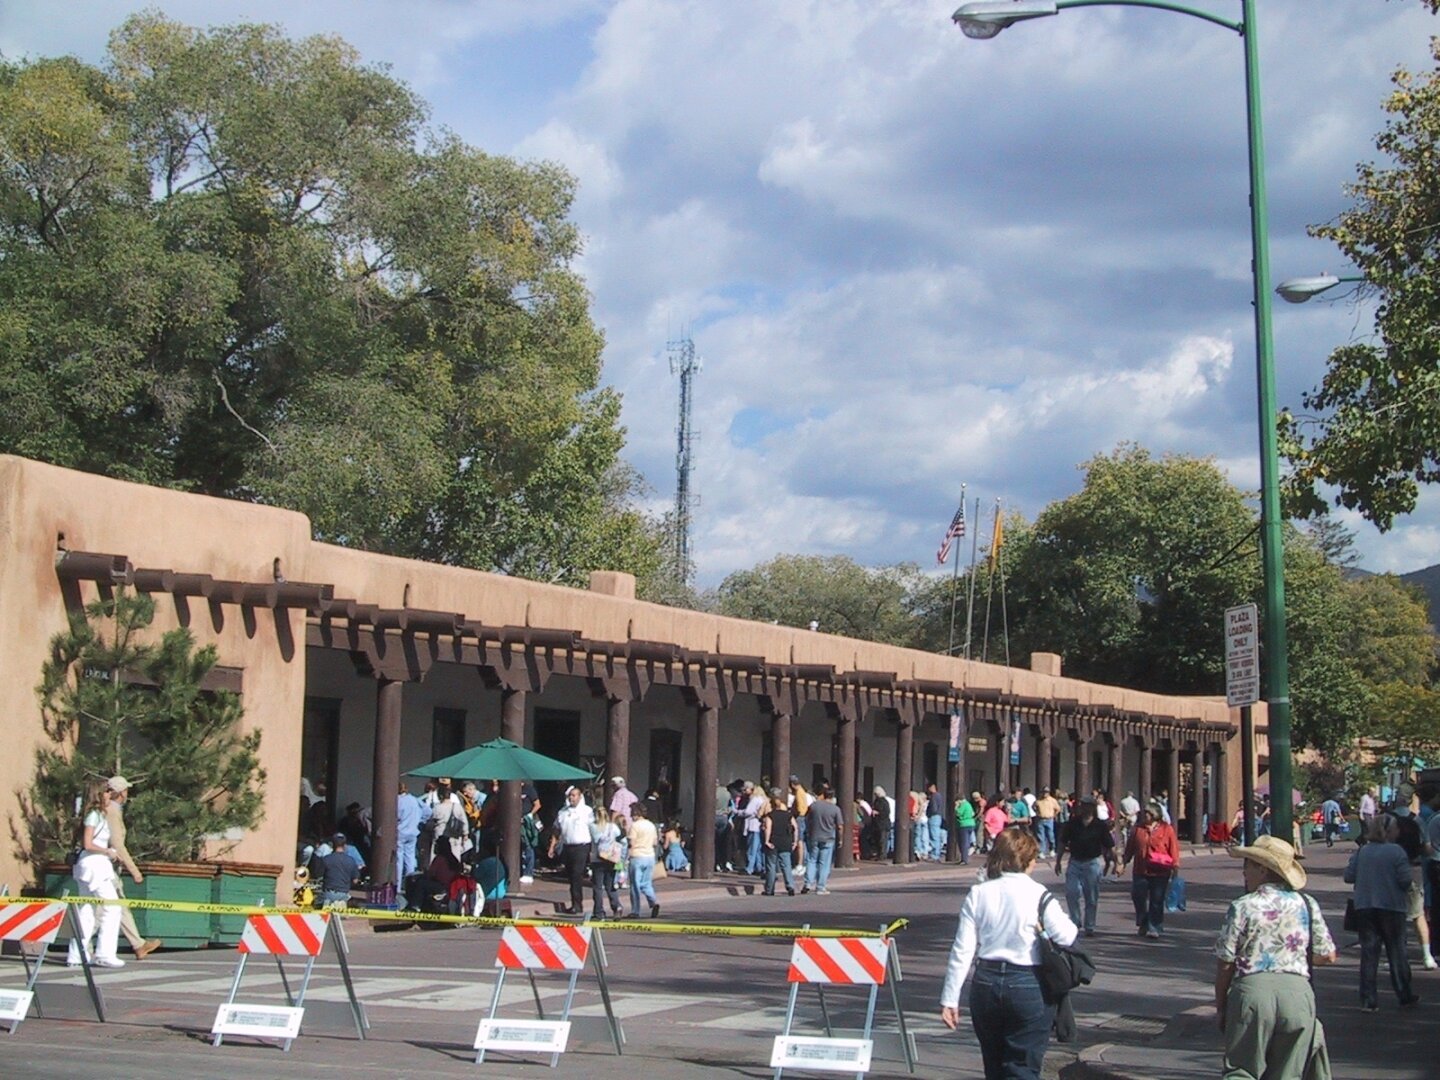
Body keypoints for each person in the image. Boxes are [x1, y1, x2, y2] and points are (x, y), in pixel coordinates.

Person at [940, 828, 1079, 1080]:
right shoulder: (1039, 895)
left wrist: (950, 998)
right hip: (1028, 982)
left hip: (986, 982)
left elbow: (963, 949)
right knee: (1022, 1066)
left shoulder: (979, 893)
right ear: (1029, 861)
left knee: (993, 1066)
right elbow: (1067, 936)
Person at [1215, 836, 1337, 1079]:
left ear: (1263, 869)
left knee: (1241, 1070)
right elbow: (1328, 955)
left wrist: (1221, 1006)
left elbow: (1226, 961)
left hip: (1252, 992)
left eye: (1247, 864)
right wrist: (1292, 958)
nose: (1244, 872)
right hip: (1298, 994)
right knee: (1288, 1072)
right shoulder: (1307, 903)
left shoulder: (1243, 906)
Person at [1345, 814, 1419, 1010]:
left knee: (1369, 953)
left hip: (1365, 906)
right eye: (1395, 828)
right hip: (1391, 906)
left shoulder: (1363, 851)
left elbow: (1349, 876)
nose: (1398, 831)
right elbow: (1404, 880)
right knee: (1396, 951)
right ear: (1388, 831)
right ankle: (1403, 992)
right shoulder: (1397, 852)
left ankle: (1368, 999)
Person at [67, 780, 126, 968]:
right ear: (99, 794)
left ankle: (77, 954)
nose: (110, 795)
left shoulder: (96, 815)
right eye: (108, 792)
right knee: (112, 907)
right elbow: (88, 844)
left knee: (86, 910)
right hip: (95, 866)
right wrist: (107, 851)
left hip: (87, 867)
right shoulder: (94, 816)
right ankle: (105, 954)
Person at [103, 776, 162, 960]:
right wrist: (134, 871)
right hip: (105, 866)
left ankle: (138, 944)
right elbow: (118, 844)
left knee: (119, 904)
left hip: (109, 866)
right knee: (101, 909)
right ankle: (82, 948)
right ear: (121, 793)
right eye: (126, 790)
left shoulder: (113, 810)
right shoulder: (112, 811)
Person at [1388, 783, 1436, 969]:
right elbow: (1427, 848)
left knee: (1393, 914)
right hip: (1413, 868)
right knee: (1418, 914)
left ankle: (1397, 955)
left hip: (1390, 869)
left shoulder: (1386, 819)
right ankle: (1426, 956)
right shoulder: (1417, 821)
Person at [1054, 795, 1114, 936]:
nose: (1085, 808)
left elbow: (1108, 846)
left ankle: (1090, 925)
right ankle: (1075, 921)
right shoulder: (1073, 823)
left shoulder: (1100, 825)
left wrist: (1112, 862)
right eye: (1083, 805)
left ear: (1093, 808)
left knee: (1091, 896)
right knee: (1071, 892)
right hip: (1075, 862)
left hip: (1092, 862)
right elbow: (1063, 842)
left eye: (1088, 805)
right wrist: (1058, 861)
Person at [1122, 804, 1179, 939]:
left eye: (1148, 813)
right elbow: (1130, 848)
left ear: (1155, 814)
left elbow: (1174, 848)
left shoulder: (1166, 829)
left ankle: (1154, 926)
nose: (1145, 815)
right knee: (1138, 896)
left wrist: (1175, 867)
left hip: (1160, 871)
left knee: (1156, 900)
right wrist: (1123, 863)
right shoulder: (1138, 829)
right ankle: (1143, 921)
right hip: (1140, 869)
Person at [549, 785, 595, 914]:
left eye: (574, 795)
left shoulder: (587, 811)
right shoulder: (562, 812)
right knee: (570, 875)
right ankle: (574, 901)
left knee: (576, 874)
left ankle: (577, 905)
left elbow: (594, 830)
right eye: (570, 795)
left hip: (582, 846)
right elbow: (556, 830)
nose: (572, 798)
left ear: (580, 797)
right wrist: (552, 846)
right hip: (568, 846)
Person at [803, 784, 843, 895]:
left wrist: (809, 830)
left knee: (811, 860)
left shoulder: (814, 806)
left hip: (814, 836)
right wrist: (840, 839)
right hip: (828, 837)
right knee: (824, 863)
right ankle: (820, 887)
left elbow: (806, 818)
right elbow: (840, 826)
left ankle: (807, 883)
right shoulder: (835, 809)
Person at [588, 806, 624, 919]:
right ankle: (616, 906)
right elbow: (619, 835)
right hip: (611, 858)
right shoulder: (612, 826)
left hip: (597, 859)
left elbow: (594, 840)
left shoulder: (593, 827)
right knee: (610, 885)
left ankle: (599, 912)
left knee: (598, 887)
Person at [626, 802, 661, 918]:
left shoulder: (635, 826)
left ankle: (636, 910)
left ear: (636, 813)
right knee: (646, 883)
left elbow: (632, 843)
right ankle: (653, 902)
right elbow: (655, 842)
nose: (631, 816)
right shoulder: (651, 825)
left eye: (632, 813)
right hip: (649, 856)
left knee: (635, 885)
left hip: (637, 856)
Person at [763, 787, 798, 896]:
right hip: (786, 841)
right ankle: (790, 886)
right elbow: (795, 827)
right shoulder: (788, 815)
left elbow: (768, 828)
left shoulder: (770, 816)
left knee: (771, 866)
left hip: (774, 842)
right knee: (786, 865)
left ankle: (769, 889)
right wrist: (795, 841)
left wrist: (767, 841)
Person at [396, 781, 424, 891]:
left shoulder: (398, 801)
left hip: (400, 832)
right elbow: (428, 811)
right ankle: (411, 885)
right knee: (410, 858)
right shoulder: (414, 799)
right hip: (413, 832)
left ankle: (397, 887)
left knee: (399, 860)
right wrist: (419, 820)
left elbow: (395, 815)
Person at [318, 833, 359, 908]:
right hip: (344, 895)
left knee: (316, 902)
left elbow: (318, 876)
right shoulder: (351, 860)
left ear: (332, 844)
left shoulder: (326, 859)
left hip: (328, 894)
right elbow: (355, 880)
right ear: (344, 845)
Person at [741, 781, 767, 874]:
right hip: (760, 826)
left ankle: (749, 868)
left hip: (753, 825)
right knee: (758, 849)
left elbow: (748, 811)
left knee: (752, 849)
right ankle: (759, 867)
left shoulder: (755, 799)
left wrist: (738, 812)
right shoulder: (764, 800)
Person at [1033, 788, 1060, 858]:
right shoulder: (1038, 800)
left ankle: (1052, 849)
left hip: (1049, 819)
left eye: (1046, 792)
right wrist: (1037, 813)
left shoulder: (1052, 800)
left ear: (1048, 793)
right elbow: (1033, 807)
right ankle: (1041, 851)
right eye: (1044, 792)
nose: (1045, 794)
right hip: (1040, 819)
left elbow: (1058, 809)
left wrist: (1054, 815)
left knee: (1050, 835)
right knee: (1041, 836)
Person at [954, 793, 978, 865]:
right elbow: (973, 813)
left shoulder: (963, 805)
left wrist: (956, 807)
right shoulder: (968, 804)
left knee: (963, 842)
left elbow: (959, 813)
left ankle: (964, 859)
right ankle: (965, 857)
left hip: (964, 824)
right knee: (966, 841)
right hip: (971, 823)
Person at [926, 782, 946, 862]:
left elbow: (933, 808)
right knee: (937, 835)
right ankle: (937, 853)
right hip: (939, 816)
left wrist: (929, 813)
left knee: (933, 835)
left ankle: (934, 854)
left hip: (933, 816)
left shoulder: (933, 796)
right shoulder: (939, 796)